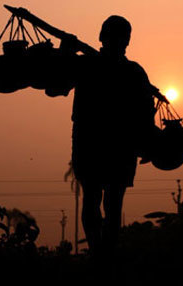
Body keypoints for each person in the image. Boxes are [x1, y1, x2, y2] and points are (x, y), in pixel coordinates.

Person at [56, 15, 157, 257]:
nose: (118, 41)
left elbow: (146, 115)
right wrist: (65, 54)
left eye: (120, 37)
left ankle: (103, 253)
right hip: (96, 143)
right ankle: (100, 252)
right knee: (100, 200)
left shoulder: (128, 72)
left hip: (112, 146)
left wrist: (66, 56)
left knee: (105, 202)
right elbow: (57, 86)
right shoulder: (89, 66)